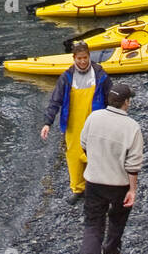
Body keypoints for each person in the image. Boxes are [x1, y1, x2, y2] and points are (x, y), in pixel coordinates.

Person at [78, 84, 143, 254]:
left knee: (93, 224)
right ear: (126, 102)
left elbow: (83, 144)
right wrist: (132, 190)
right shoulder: (132, 127)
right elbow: (133, 164)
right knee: (117, 218)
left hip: (94, 182)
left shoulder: (93, 117)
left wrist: (95, 162)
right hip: (119, 184)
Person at [41, 42, 112, 203]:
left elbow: (110, 95)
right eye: (79, 58)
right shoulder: (66, 77)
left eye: (85, 58)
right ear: (74, 58)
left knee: (96, 155)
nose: (82, 61)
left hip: (95, 122)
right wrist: (47, 123)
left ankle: (97, 189)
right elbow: (55, 101)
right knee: (73, 156)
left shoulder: (100, 73)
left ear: (89, 56)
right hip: (73, 124)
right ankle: (78, 189)